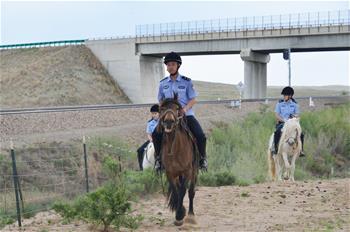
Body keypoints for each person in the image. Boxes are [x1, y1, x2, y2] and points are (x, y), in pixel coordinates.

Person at [152, 51, 208, 171]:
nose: (170, 67)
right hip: (167, 117)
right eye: (168, 65)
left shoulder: (186, 82)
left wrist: (184, 109)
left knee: (200, 136)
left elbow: (193, 100)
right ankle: (159, 160)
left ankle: (202, 159)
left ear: (178, 65)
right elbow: (160, 101)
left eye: (172, 64)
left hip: (186, 115)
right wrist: (163, 112)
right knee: (155, 134)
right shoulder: (163, 84)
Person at [272, 86, 305, 157]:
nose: (284, 96)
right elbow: (277, 115)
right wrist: (283, 120)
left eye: (285, 95)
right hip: (282, 123)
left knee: (301, 134)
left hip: (292, 123)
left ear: (290, 96)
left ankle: (301, 150)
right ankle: (275, 148)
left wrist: (293, 116)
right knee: (277, 132)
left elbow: (297, 115)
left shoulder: (295, 105)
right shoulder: (279, 104)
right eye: (283, 95)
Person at [136, 104, 159, 170]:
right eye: (152, 113)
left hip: (160, 141)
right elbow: (148, 134)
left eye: (155, 113)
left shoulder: (162, 122)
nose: (154, 115)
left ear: (159, 113)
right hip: (152, 140)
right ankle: (141, 168)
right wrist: (151, 140)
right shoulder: (150, 123)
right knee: (140, 150)